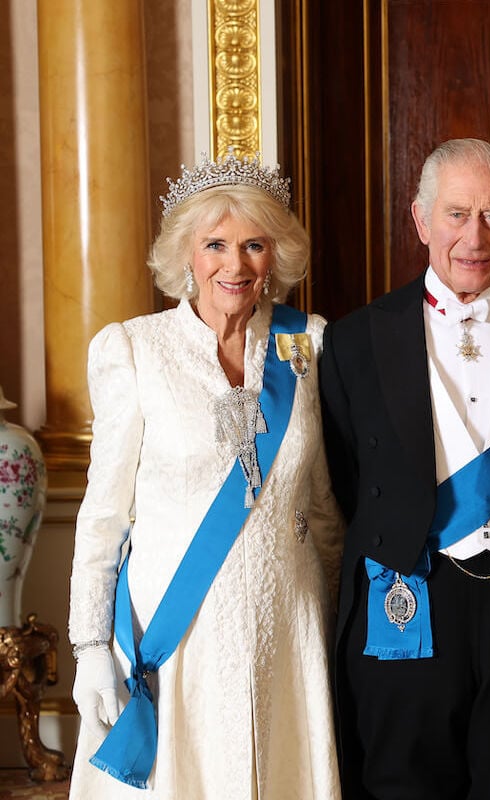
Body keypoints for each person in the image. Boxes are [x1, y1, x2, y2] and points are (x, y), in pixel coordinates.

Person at [321, 138, 490, 799]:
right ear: (420, 220)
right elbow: (341, 479)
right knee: (404, 783)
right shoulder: (355, 340)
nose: (474, 237)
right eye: (456, 214)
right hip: (407, 597)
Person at [67, 152, 343, 798]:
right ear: (185, 255)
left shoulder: (309, 345)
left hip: (288, 625)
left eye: (255, 244)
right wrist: (88, 647)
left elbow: (324, 504)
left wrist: (333, 626)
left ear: (277, 254)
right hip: (177, 632)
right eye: (215, 244)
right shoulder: (134, 349)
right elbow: (104, 517)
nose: (236, 264)